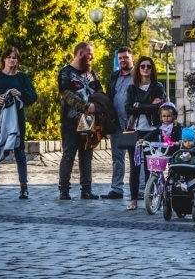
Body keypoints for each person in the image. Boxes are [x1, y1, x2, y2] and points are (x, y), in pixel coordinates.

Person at [0, 46, 38, 199]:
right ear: (4, 59)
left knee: (19, 152)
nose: (12, 60)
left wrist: (21, 94)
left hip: (17, 120)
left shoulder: (22, 77)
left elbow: (33, 96)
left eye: (15, 57)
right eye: (9, 57)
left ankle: (24, 187)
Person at [58, 42, 103, 200]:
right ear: (80, 53)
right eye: (90, 53)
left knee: (87, 155)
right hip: (71, 121)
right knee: (68, 155)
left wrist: (97, 106)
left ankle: (86, 189)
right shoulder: (66, 72)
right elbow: (67, 94)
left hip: (89, 121)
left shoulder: (92, 74)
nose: (92, 57)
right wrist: (84, 106)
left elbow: (99, 93)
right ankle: (64, 190)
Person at [123, 55, 165, 210]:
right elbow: (128, 108)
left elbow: (159, 108)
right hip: (134, 130)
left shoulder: (158, 87)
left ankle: (150, 198)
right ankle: (133, 200)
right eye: (142, 66)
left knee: (150, 166)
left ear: (152, 69)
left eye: (148, 66)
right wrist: (148, 104)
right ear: (138, 69)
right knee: (134, 166)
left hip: (152, 130)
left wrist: (139, 105)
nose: (146, 69)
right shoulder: (132, 88)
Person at [101, 46, 135, 200]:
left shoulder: (139, 75)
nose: (122, 60)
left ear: (132, 58)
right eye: (120, 58)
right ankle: (117, 189)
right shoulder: (114, 76)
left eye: (125, 57)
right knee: (117, 158)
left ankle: (139, 190)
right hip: (116, 123)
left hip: (133, 123)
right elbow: (109, 96)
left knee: (136, 158)